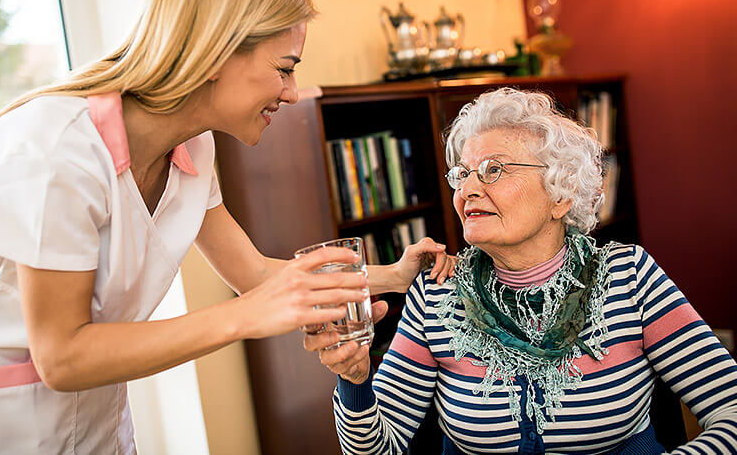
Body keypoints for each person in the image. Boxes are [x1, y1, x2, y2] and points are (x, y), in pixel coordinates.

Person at [0, 0, 453, 452]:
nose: (292, 92)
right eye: (285, 68)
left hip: (97, 429)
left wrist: (394, 277)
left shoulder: (193, 148)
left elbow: (257, 276)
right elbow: (62, 356)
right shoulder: (56, 147)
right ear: (216, 53)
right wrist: (247, 317)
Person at [305, 88, 737, 454]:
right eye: (463, 174)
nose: (468, 189)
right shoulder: (436, 292)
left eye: (495, 170)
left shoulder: (630, 276)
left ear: (560, 195)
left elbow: (730, 408)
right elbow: (377, 448)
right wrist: (356, 381)